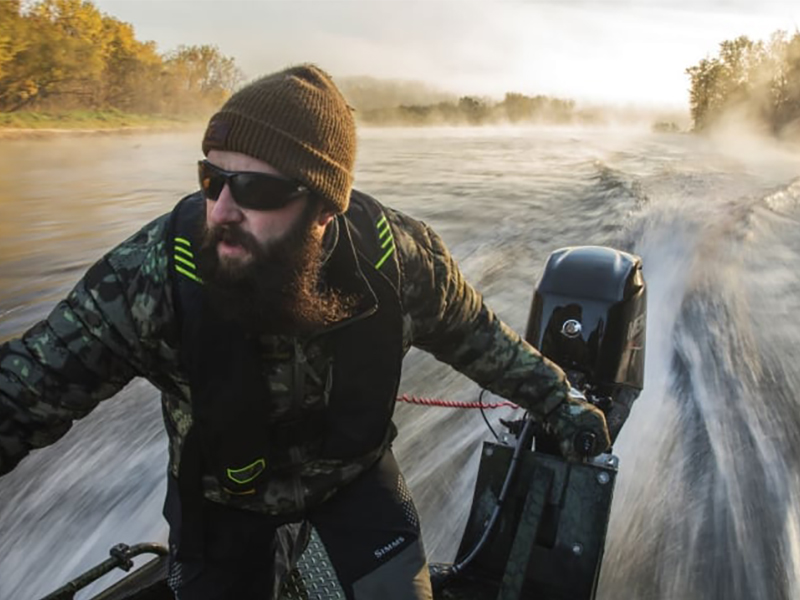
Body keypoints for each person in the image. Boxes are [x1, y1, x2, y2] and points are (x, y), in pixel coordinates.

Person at [0, 64, 610, 600]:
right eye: (211, 179)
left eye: (257, 189)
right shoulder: (151, 279)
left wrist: (561, 402)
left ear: (325, 209)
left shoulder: (399, 263)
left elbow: (479, 338)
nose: (220, 212)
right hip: (222, 498)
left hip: (353, 475)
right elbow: (24, 394)